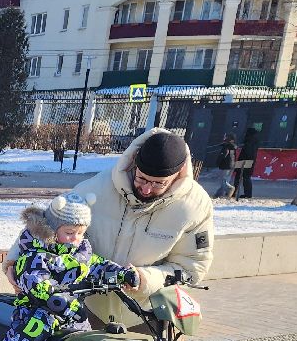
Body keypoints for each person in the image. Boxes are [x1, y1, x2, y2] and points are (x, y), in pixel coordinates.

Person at [0, 192, 138, 341]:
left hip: (72, 311)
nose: (76, 238)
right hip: (37, 309)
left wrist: (122, 274)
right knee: (38, 327)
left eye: (81, 233)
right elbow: (34, 281)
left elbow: (98, 265)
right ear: (53, 229)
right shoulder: (36, 253)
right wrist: (58, 301)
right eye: (69, 232)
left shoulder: (80, 253)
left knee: (85, 339)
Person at [65, 128, 215, 298]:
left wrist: (145, 279)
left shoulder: (194, 206)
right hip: (88, 309)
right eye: (141, 178)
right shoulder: (95, 188)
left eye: (159, 184)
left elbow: (192, 267)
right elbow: (56, 225)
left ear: (177, 175)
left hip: (145, 313)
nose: (146, 188)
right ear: (134, 163)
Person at [234, 125, 260, 199]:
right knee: (245, 177)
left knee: (241, 177)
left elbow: (248, 152)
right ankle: (247, 193)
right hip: (249, 160)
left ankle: (235, 191)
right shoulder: (254, 141)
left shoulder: (249, 141)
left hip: (245, 160)